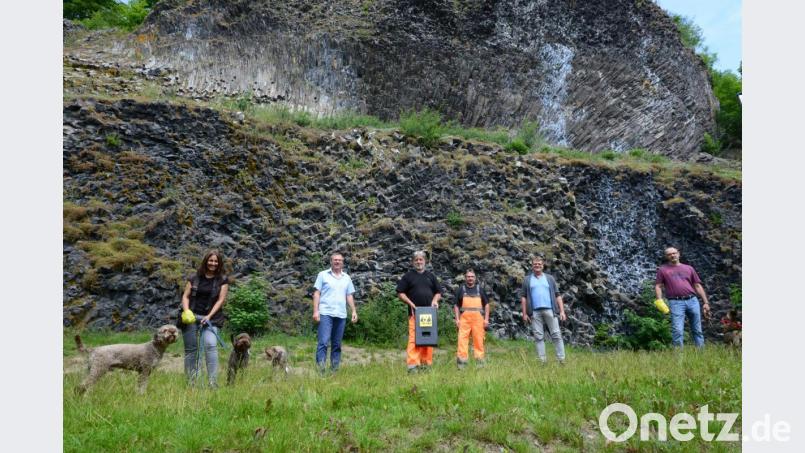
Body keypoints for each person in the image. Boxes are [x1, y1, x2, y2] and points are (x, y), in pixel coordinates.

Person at [179, 250, 229, 387]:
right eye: (210, 260)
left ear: (219, 263)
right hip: (191, 317)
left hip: (212, 319)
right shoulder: (194, 277)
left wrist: (208, 316)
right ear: (206, 261)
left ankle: (213, 383)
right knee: (191, 350)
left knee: (211, 346)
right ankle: (191, 383)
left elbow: (220, 300)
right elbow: (185, 296)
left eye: (216, 261)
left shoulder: (223, 280)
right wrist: (186, 311)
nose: (213, 263)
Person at [655, 247, 711, 347]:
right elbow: (658, 286)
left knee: (697, 329)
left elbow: (697, 285)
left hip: (692, 300)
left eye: (674, 253)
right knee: (677, 330)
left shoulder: (689, 268)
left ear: (678, 254)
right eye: (669, 254)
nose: (672, 255)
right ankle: (678, 355)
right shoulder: (662, 270)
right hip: (675, 302)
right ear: (666, 257)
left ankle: (701, 353)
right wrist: (659, 300)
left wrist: (706, 302)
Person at [396, 250, 442, 373]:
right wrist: (410, 303)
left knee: (428, 338)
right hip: (415, 313)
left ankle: (426, 364)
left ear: (425, 261)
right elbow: (400, 293)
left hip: (429, 314)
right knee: (414, 339)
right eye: (416, 260)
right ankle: (413, 366)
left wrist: (435, 301)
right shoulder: (408, 276)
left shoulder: (431, 276)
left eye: (421, 259)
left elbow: (438, 292)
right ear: (413, 262)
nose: (418, 262)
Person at [313, 252, 358, 373]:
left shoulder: (347, 278)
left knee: (337, 344)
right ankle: (321, 370)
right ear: (331, 261)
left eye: (339, 260)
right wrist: (316, 311)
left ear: (342, 262)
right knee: (323, 342)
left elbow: (349, 295)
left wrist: (353, 311)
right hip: (325, 313)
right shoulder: (322, 275)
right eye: (335, 260)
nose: (337, 262)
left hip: (341, 314)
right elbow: (317, 293)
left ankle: (334, 370)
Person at [520, 255, 567, 364]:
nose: (537, 266)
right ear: (532, 266)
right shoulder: (527, 280)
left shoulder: (550, 278)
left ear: (543, 265)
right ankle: (542, 361)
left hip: (550, 310)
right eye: (535, 264)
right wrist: (524, 313)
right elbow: (523, 297)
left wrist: (562, 311)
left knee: (556, 334)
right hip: (534, 312)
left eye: (539, 264)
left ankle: (561, 360)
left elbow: (557, 295)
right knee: (538, 337)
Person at [453, 269, 490, 369]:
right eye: (468, 277)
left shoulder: (480, 289)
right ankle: (461, 365)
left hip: (478, 321)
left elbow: (487, 305)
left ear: (475, 278)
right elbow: (456, 305)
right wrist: (457, 319)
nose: (470, 278)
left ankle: (480, 365)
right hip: (464, 320)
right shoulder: (461, 289)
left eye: (472, 277)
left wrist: (486, 319)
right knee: (462, 341)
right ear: (465, 278)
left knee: (479, 341)